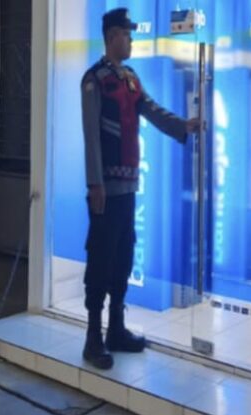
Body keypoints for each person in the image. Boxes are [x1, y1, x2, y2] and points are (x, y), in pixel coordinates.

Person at [81, 8, 200, 369]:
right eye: (127, 35)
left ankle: (116, 329)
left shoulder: (131, 79)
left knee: (123, 258)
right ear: (112, 36)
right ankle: (93, 337)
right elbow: (91, 137)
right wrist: (95, 183)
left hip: (129, 187)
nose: (131, 40)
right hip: (106, 189)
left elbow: (151, 110)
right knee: (101, 259)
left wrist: (183, 125)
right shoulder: (95, 80)